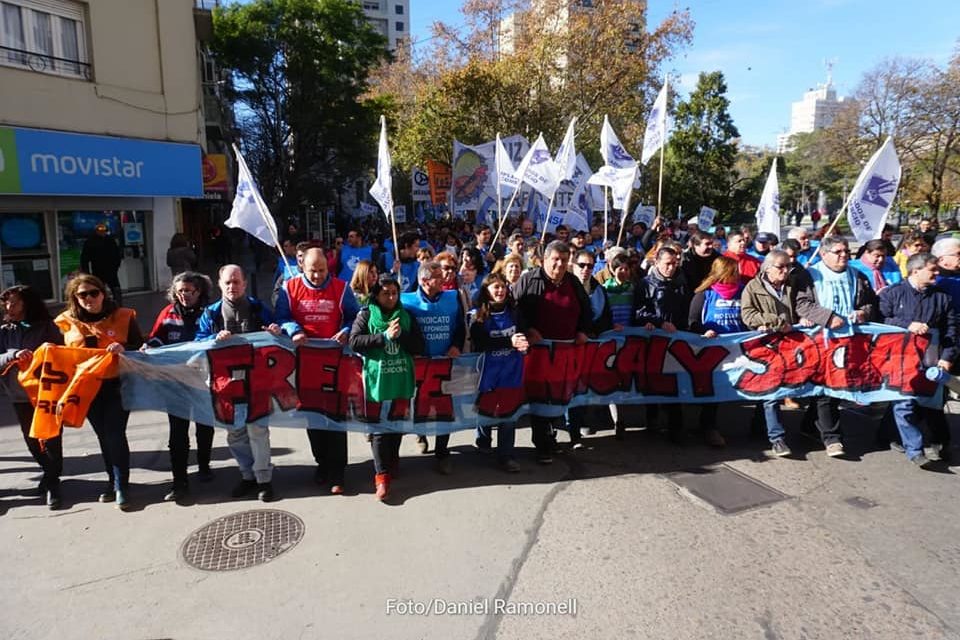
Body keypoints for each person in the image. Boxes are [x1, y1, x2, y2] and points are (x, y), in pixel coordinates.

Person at [56, 274, 143, 510]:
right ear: (75, 297)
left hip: (117, 385)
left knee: (115, 434)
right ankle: (112, 480)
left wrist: (124, 348)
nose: (89, 298)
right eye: (82, 294)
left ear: (103, 293)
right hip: (86, 388)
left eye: (94, 293)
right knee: (103, 436)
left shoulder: (123, 317)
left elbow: (140, 346)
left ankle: (121, 486)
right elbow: (58, 354)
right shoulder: (66, 322)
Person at [276, 247, 359, 494]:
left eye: (322, 270)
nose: (317, 276)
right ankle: (322, 464)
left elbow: (355, 317)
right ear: (302, 266)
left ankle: (338, 472)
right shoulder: (289, 289)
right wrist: (293, 329)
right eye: (313, 271)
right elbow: (280, 316)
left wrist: (345, 332)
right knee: (313, 418)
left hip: (335, 362)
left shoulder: (341, 288)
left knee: (336, 416)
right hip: (305, 362)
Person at [196, 265, 283, 502]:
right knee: (235, 433)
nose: (232, 287)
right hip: (225, 384)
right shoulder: (212, 313)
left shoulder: (258, 308)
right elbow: (198, 340)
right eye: (228, 282)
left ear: (245, 283)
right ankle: (247, 475)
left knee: (257, 430)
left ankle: (264, 478)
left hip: (256, 381)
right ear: (220, 284)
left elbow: (277, 330)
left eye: (236, 282)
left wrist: (276, 330)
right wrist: (214, 338)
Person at [795, 236, 876, 459]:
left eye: (846, 252)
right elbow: (801, 304)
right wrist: (827, 317)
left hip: (849, 340)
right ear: (824, 254)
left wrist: (862, 312)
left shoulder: (857, 276)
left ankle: (810, 424)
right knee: (828, 387)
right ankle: (832, 438)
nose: (844, 256)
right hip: (820, 340)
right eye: (838, 252)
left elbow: (868, 303)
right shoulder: (810, 275)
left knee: (832, 387)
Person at [513, 241, 591, 463]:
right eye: (555, 259)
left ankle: (551, 436)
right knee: (540, 398)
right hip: (538, 353)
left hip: (566, 352)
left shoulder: (573, 282)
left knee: (558, 398)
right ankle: (542, 445)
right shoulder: (529, 280)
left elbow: (586, 310)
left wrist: (583, 331)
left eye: (564, 260)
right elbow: (515, 310)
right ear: (544, 259)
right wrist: (527, 330)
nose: (559, 264)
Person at [349, 274, 425, 500]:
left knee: (397, 424)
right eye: (386, 294)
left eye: (394, 293)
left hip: (401, 378)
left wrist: (401, 336)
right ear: (376, 295)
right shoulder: (365, 315)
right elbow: (354, 342)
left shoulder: (407, 316)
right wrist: (383, 336)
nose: (391, 298)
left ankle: (393, 460)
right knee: (380, 429)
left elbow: (419, 346)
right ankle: (381, 477)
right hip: (377, 382)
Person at [879, 253, 958, 468]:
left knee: (932, 403)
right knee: (903, 404)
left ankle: (941, 443)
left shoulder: (943, 298)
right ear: (916, 271)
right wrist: (907, 324)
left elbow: (951, 330)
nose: (937, 273)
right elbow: (879, 322)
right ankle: (915, 450)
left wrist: (946, 358)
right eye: (932, 269)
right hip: (900, 359)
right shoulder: (892, 294)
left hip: (931, 358)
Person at [145, 272, 216, 503]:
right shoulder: (167, 313)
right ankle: (180, 482)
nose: (185, 295)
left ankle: (204, 465)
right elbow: (157, 338)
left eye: (190, 291)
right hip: (174, 381)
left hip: (202, 379)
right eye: (181, 291)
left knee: (204, 425)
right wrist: (148, 347)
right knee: (177, 432)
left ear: (200, 292)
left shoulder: (209, 312)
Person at [0, 285, 64, 508]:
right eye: (6, 302)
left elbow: (62, 355)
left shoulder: (46, 326)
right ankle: (49, 475)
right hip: (19, 394)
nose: (9, 307)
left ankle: (52, 483)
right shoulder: (5, 330)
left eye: (14, 302)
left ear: (27, 303)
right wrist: (11, 355)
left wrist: (47, 351)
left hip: (48, 393)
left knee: (52, 439)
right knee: (32, 440)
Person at [401, 261, 466, 472]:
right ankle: (420, 435)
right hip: (419, 365)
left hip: (444, 364)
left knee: (444, 408)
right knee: (418, 404)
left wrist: (456, 345)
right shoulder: (406, 300)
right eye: (438, 277)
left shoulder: (453, 297)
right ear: (424, 281)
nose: (444, 279)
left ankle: (442, 452)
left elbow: (460, 327)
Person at [741, 250, 801, 457]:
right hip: (766, 347)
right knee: (771, 392)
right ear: (767, 268)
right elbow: (748, 315)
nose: (785, 271)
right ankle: (777, 438)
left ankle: (758, 428)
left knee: (770, 392)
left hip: (792, 345)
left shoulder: (794, 285)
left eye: (788, 267)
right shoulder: (752, 288)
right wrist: (776, 322)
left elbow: (802, 307)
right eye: (781, 267)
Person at [470, 272, 529, 472]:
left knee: (509, 416)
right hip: (487, 374)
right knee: (485, 412)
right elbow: (481, 342)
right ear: (486, 291)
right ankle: (483, 442)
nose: (500, 290)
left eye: (503, 286)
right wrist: (508, 341)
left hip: (511, 372)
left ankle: (506, 455)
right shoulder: (478, 316)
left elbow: (523, 332)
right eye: (495, 287)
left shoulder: (515, 312)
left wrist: (523, 344)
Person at [632, 246, 691, 443]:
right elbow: (639, 312)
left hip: (676, 339)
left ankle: (676, 426)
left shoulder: (682, 283)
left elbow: (686, 311)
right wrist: (657, 323)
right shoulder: (645, 284)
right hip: (653, 339)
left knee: (675, 382)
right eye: (667, 263)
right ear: (656, 263)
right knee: (654, 380)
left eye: (675, 263)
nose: (671, 268)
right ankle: (653, 419)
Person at [688, 255, 747, 448]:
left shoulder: (743, 292)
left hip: (737, 348)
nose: (737, 274)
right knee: (712, 390)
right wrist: (703, 331)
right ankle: (709, 427)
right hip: (711, 350)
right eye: (733, 271)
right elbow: (692, 321)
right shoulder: (705, 294)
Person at [567, 249, 613, 442]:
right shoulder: (565, 286)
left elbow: (606, 317)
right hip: (567, 345)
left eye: (590, 266)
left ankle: (577, 426)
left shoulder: (598, 289)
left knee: (582, 387)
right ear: (573, 265)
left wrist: (593, 331)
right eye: (582, 265)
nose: (586, 269)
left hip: (589, 346)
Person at [80, 223, 123, 305]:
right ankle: (101, 304)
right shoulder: (90, 242)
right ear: (96, 231)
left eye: (104, 231)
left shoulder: (110, 240)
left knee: (115, 288)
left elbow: (117, 254)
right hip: (98, 270)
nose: (102, 233)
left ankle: (119, 305)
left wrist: (116, 266)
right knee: (99, 288)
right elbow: (84, 258)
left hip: (111, 270)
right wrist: (86, 272)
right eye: (100, 231)